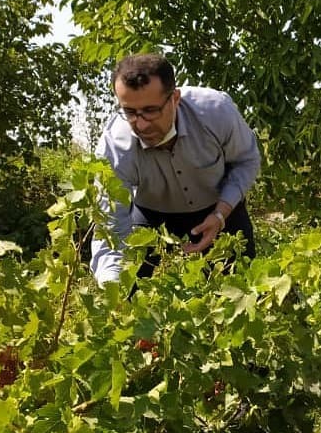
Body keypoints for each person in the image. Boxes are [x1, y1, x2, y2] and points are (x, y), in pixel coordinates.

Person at [90, 53, 261, 285]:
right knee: (129, 288)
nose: (140, 124)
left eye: (151, 110)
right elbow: (110, 229)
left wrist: (221, 214)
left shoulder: (215, 112)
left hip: (220, 208)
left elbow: (246, 160)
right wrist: (113, 286)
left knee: (243, 285)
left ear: (175, 98)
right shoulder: (115, 145)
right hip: (151, 216)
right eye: (129, 112)